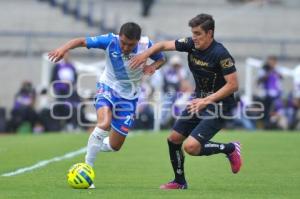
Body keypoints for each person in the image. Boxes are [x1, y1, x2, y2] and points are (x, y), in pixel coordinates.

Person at [130, 14, 242, 189]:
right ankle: (179, 182)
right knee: (173, 139)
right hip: (199, 100)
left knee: (191, 147)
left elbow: (233, 85)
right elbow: (162, 45)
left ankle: (230, 148)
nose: (194, 37)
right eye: (193, 33)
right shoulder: (190, 44)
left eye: (198, 33)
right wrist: (145, 55)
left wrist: (207, 100)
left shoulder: (221, 54)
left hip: (220, 105)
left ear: (210, 33)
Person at [48, 22, 165, 188]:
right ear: (119, 36)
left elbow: (162, 59)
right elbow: (81, 41)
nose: (125, 47)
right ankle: (87, 169)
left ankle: (93, 142)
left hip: (130, 97)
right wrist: (63, 49)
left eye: (130, 44)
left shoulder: (147, 45)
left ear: (138, 41)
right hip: (108, 87)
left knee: (115, 146)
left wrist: (152, 66)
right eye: (123, 42)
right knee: (104, 124)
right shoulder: (110, 40)